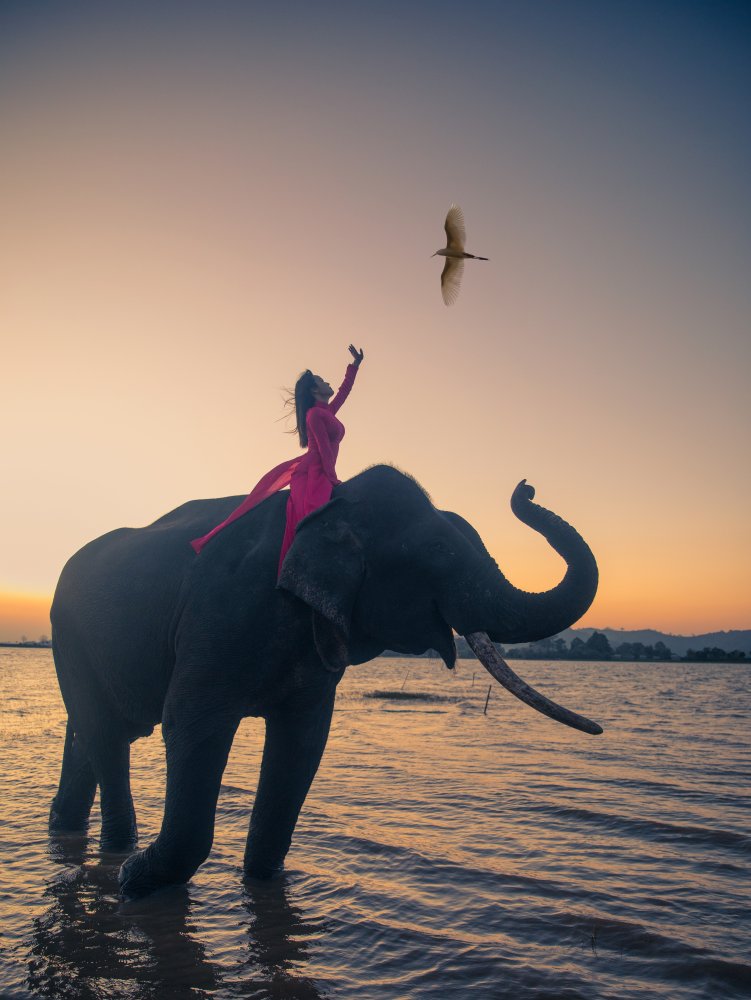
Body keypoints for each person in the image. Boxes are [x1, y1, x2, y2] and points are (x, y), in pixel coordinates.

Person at [190, 345, 364, 573]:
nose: (327, 382)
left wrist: (355, 366)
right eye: (322, 380)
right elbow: (324, 451)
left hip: (322, 468)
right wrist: (333, 480)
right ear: (314, 390)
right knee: (317, 520)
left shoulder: (326, 412)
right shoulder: (314, 415)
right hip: (314, 472)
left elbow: (343, 392)